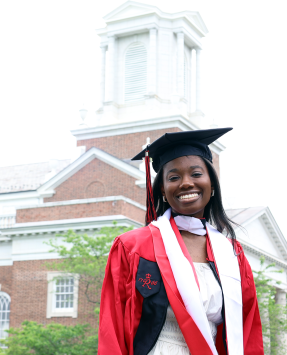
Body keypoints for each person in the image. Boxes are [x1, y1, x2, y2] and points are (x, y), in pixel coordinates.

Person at [98, 128, 264, 355]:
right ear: (163, 191)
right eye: (174, 177)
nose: (186, 183)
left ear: (212, 184)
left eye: (196, 174)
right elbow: (112, 330)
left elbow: (249, 329)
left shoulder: (232, 253)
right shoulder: (133, 247)